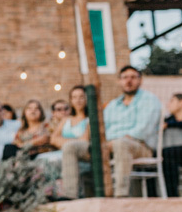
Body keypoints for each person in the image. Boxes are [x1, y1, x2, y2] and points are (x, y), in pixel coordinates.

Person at [62, 65, 162, 198]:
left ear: (140, 80)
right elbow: (102, 129)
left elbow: (143, 130)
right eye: (125, 77)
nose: (128, 81)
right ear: (119, 81)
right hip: (108, 146)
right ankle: (70, 195)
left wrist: (112, 142)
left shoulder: (149, 99)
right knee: (70, 147)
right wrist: (104, 143)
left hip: (140, 146)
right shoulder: (113, 105)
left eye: (133, 77)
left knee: (121, 143)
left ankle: (121, 194)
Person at [43, 87, 89, 164]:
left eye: (81, 97)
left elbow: (84, 141)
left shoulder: (89, 120)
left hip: (80, 156)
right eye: (74, 97)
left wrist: (61, 140)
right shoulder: (66, 120)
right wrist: (75, 141)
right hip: (61, 153)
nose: (78, 100)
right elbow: (53, 139)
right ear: (71, 100)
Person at [162, 93, 182, 197]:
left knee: (166, 154)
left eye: (172, 101)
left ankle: (171, 196)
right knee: (165, 155)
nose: (168, 104)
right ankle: (170, 195)